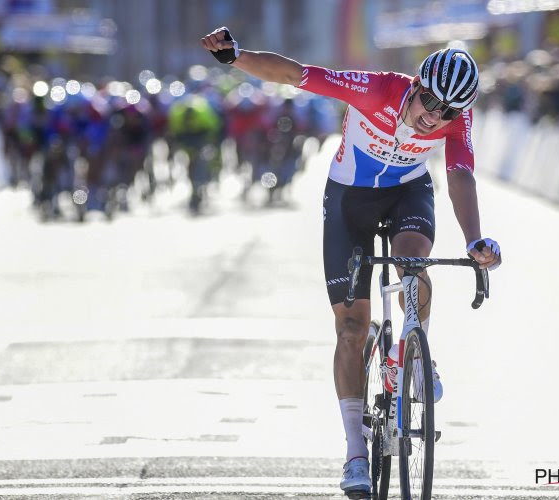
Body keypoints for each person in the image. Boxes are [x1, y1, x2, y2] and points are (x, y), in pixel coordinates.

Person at [201, 27, 502, 497]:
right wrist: (235, 57)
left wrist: (475, 239)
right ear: (415, 85)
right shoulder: (378, 88)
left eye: (448, 110)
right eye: (429, 101)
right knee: (350, 330)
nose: (434, 117)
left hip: (408, 193)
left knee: (412, 264)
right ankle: (355, 455)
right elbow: (295, 75)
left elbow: (461, 174)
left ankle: (413, 352)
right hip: (349, 199)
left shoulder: (454, 120)